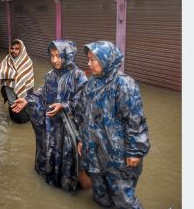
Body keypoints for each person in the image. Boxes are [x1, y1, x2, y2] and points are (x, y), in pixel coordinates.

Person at [77, 41, 150, 208]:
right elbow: (84, 115)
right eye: (88, 59)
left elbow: (135, 120)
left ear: (106, 59)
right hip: (95, 154)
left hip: (117, 157)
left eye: (93, 59)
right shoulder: (92, 84)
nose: (89, 64)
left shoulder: (124, 84)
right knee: (101, 197)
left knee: (124, 200)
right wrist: (81, 138)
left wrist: (135, 151)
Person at [11, 39, 89, 191]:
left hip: (71, 129)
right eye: (52, 56)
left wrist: (64, 106)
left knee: (75, 163)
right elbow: (42, 94)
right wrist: (27, 100)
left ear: (68, 55)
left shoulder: (79, 77)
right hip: (53, 127)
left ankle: (79, 189)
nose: (54, 60)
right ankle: (54, 184)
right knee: (52, 153)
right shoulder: (50, 76)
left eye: (58, 56)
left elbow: (84, 102)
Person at [0, 39, 34, 123]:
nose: (13, 51)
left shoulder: (27, 61)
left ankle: (24, 122)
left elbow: (22, 77)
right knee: (12, 106)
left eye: (17, 49)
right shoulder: (7, 59)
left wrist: (8, 76)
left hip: (24, 89)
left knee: (25, 110)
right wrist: (11, 77)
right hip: (9, 88)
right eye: (12, 48)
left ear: (21, 50)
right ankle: (14, 120)